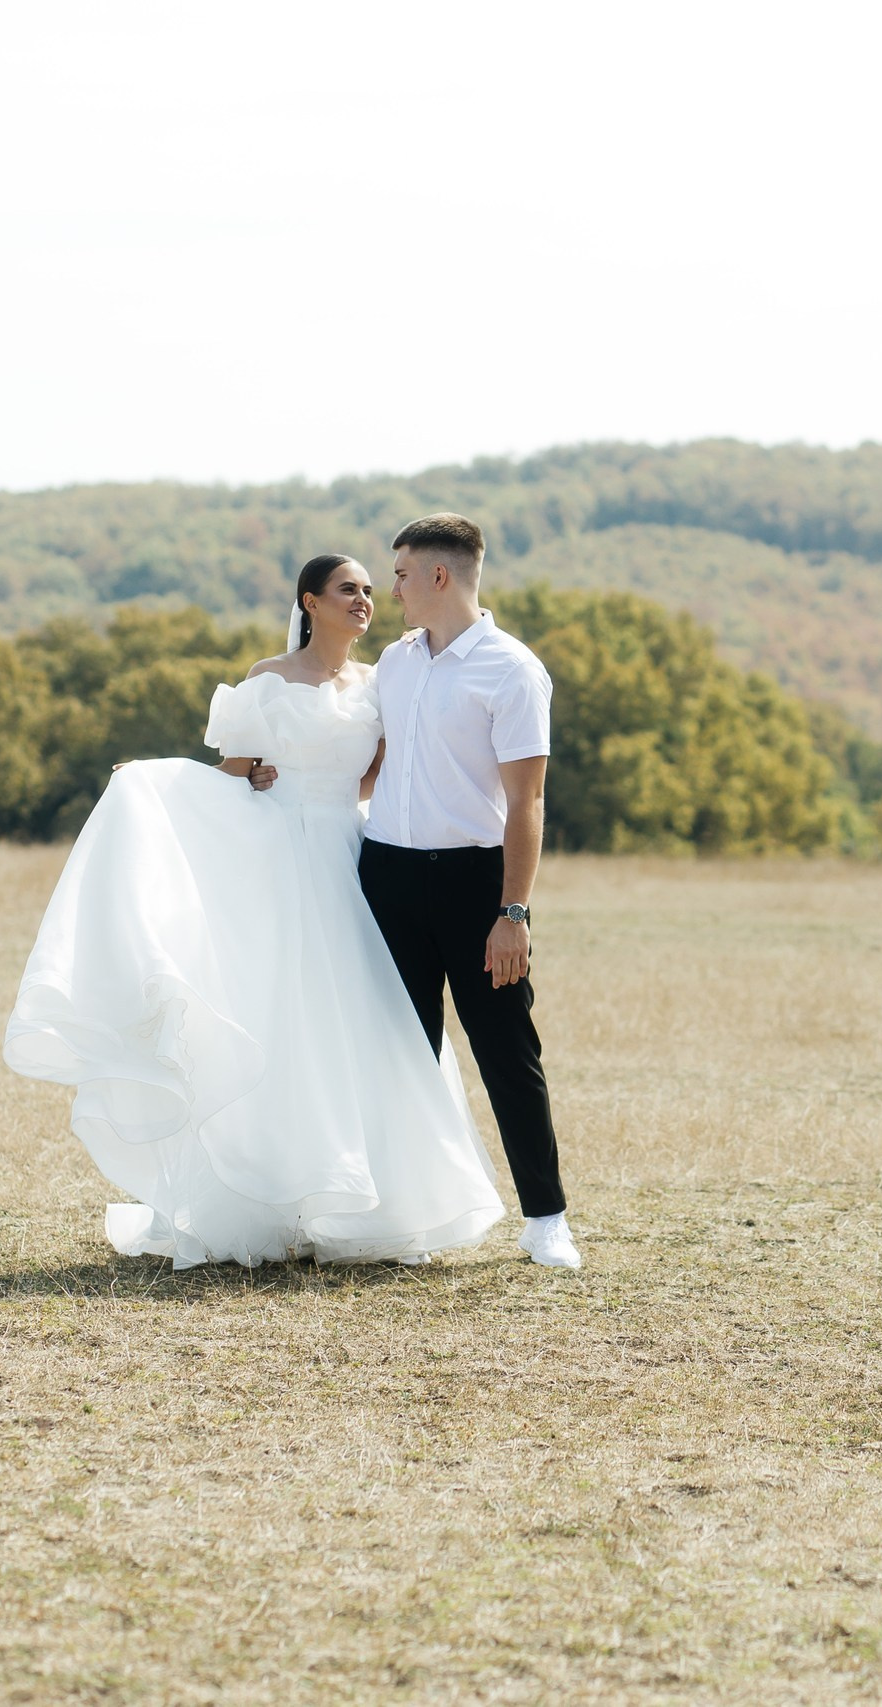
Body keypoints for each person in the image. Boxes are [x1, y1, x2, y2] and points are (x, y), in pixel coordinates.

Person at [1, 552, 521, 1268]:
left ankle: (370, 1206)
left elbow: (377, 774)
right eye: (349, 589)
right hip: (278, 858)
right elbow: (230, 771)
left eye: (372, 590)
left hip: (352, 859)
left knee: (366, 1022)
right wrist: (173, 780)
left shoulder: (380, 684)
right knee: (282, 1018)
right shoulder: (264, 679)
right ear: (310, 601)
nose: (365, 600)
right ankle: (271, 1199)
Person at [352, 512, 578, 1270]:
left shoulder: (513, 669)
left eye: (403, 574)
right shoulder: (394, 661)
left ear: (439, 577)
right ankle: (408, 1220)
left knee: (507, 1052)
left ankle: (546, 1218)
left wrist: (512, 911)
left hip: (476, 884)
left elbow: (528, 803)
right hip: (385, 875)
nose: (394, 589)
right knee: (401, 1054)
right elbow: (375, 765)